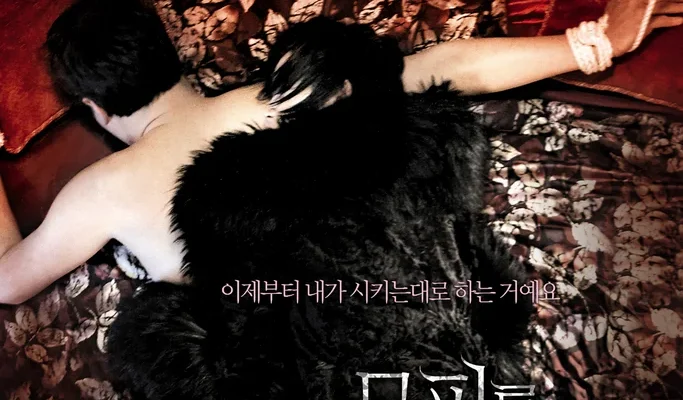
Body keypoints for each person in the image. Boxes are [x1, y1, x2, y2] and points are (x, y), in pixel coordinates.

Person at [0, 0, 680, 305]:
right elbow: (448, 66)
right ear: (170, 53)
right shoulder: (287, 93)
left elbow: (6, 285)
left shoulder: (100, 191)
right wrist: (593, 43)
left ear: (94, 107)